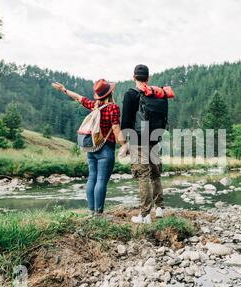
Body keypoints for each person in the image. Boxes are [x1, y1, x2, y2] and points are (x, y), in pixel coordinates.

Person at [52, 79, 126, 216]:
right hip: (106, 148)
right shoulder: (112, 108)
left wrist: (64, 89)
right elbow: (116, 128)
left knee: (92, 178)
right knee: (101, 180)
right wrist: (124, 145)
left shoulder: (95, 106)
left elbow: (79, 98)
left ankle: (91, 211)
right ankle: (99, 213)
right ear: (110, 93)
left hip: (92, 148)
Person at [120, 65, 170, 224]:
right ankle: (160, 208)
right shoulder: (159, 94)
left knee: (143, 175)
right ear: (148, 78)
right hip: (155, 138)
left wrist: (125, 143)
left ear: (133, 76)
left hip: (138, 139)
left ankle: (145, 215)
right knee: (155, 173)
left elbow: (126, 121)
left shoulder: (130, 94)